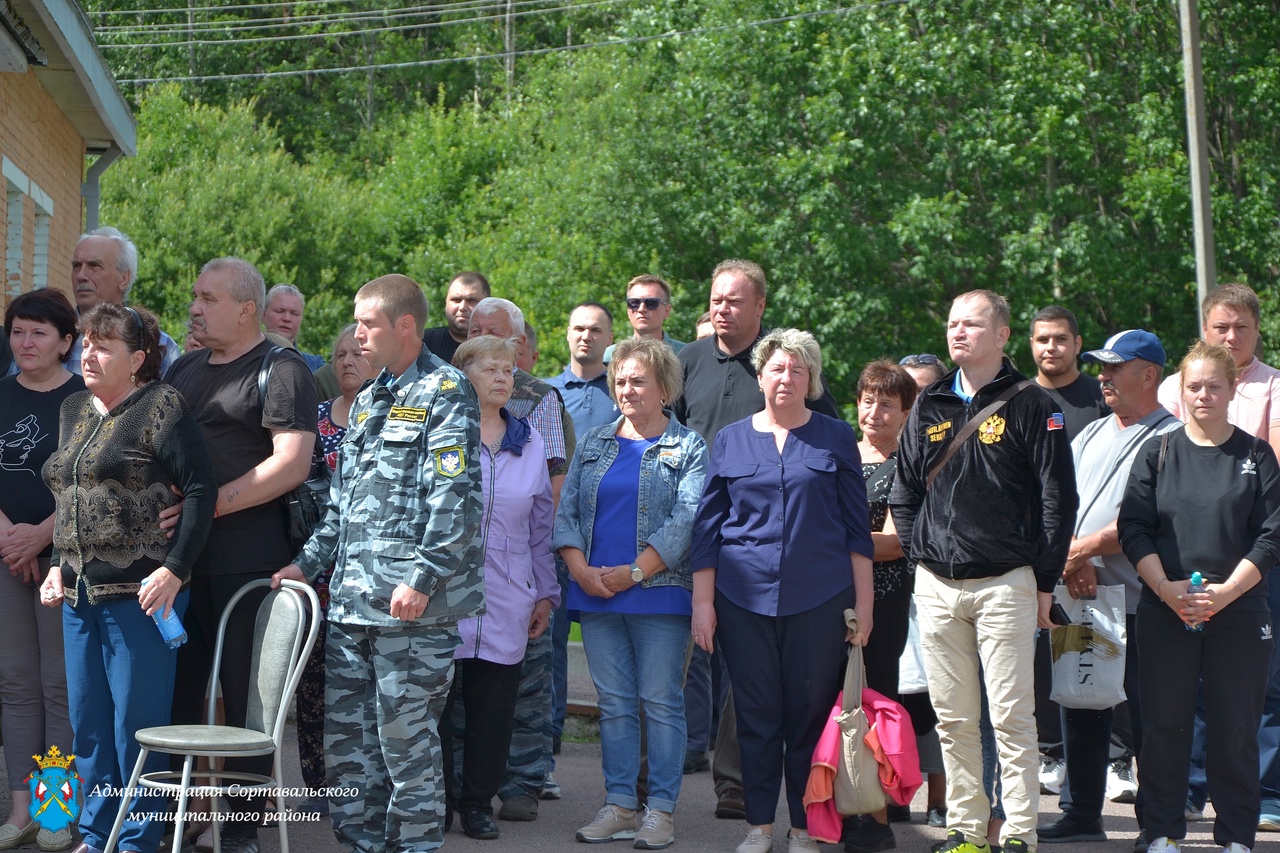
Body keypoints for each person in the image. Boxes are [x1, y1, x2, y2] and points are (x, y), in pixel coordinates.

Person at [274, 274, 484, 853]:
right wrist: (304, 563)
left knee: (405, 746)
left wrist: (423, 577)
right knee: (349, 749)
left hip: (412, 610)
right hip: (351, 605)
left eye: (369, 324)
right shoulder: (367, 400)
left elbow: (455, 498)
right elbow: (342, 505)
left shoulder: (446, 391)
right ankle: (361, 844)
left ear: (406, 326)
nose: (358, 335)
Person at [889, 290, 1078, 853]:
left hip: (1006, 582)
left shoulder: (1033, 403)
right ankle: (967, 830)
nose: (958, 333)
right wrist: (919, 553)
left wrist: (1044, 581)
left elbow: (1057, 500)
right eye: (951, 324)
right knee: (953, 718)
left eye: (971, 324)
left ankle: (1019, 831)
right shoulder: (931, 401)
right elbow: (905, 489)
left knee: (1013, 718)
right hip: (938, 584)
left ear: (1001, 335)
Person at [40, 302, 216, 853]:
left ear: (138, 358)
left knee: (136, 728)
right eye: (86, 343)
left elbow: (201, 491)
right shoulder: (73, 408)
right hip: (76, 594)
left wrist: (175, 570)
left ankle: (139, 840)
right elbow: (68, 495)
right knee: (88, 724)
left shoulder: (162, 405)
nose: (88, 354)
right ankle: (96, 835)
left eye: (104, 346)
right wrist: (54, 566)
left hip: (142, 596)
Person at [692, 328, 874, 853]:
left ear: (811, 379)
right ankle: (759, 827)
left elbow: (856, 529)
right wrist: (703, 604)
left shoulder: (836, 436)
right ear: (761, 376)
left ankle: (801, 828)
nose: (786, 377)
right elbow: (707, 530)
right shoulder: (729, 439)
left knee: (809, 717)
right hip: (741, 599)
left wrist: (863, 605)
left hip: (819, 600)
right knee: (755, 714)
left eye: (798, 369)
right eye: (777, 368)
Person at [674, 260, 840, 821]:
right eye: (716, 299)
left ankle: (738, 781)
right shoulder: (684, 361)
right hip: (687, 536)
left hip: (764, 553)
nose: (722, 308)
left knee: (753, 681)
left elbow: (829, 444)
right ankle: (660, 783)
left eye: (735, 301)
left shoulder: (781, 367)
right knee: (685, 663)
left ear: (760, 306)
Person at [164, 257, 318, 853]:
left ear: (247, 310)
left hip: (249, 564)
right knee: (178, 696)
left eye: (209, 298)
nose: (196, 308)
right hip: (178, 566)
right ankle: (170, 819)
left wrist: (208, 507)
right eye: (195, 296)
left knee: (248, 706)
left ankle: (241, 830)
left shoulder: (283, 370)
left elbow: (291, 464)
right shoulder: (184, 369)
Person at [1119, 340, 1280, 853]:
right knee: (1164, 725)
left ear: (1233, 390)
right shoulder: (1158, 451)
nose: (1204, 394)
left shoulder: (1256, 455)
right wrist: (1165, 589)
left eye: (1215, 385)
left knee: (1235, 729)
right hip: (1167, 607)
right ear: (1179, 391)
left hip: (1239, 606)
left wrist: (1228, 591)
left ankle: (1236, 838)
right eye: (1194, 386)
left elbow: (1272, 535)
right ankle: (1161, 832)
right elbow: (1134, 529)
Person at [555, 337, 708, 850]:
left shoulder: (689, 447)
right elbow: (568, 513)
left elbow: (687, 520)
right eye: (620, 380)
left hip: (660, 594)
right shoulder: (596, 441)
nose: (626, 389)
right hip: (595, 594)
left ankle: (659, 812)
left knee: (661, 703)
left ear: (664, 388)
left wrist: (635, 573)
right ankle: (620, 805)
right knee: (615, 705)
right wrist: (579, 569)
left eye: (638, 380)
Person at [1033, 330, 1179, 850]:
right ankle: (1080, 812)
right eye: (1101, 366)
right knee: (1081, 701)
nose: (1103, 375)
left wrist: (1079, 551)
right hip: (1083, 595)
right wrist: (1073, 559)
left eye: (1116, 367)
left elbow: (1147, 517)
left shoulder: (1173, 438)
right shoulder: (1090, 433)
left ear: (1149, 375)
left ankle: (1157, 823)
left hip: (1143, 602)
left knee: (1149, 717)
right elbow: (1055, 498)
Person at [1155, 284, 1280, 827]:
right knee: (1188, 686)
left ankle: (1268, 796)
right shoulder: (1170, 388)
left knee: (1259, 686)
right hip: (1184, 562)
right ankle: (1190, 788)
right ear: (1204, 329)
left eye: (1242, 328)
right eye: (1220, 327)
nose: (1231, 337)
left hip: (1254, 555)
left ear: (1258, 331)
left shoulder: (1274, 386)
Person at [442, 335, 557, 841]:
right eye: (490, 368)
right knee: (438, 704)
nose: (502, 377)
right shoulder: (443, 433)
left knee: (494, 707)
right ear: (463, 376)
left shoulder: (529, 441)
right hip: (442, 591)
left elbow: (541, 525)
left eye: (508, 369)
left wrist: (545, 593)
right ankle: (439, 799)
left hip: (509, 594)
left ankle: (477, 804)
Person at [465, 297, 575, 821]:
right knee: (451, 699)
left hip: (514, 578)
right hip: (453, 584)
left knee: (514, 692)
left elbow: (545, 505)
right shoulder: (443, 412)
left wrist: (544, 588)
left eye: (499, 336)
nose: (486, 339)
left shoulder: (537, 406)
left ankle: (517, 785)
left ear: (521, 347)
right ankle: (448, 795)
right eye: (476, 333)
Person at [0, 290, 82, 853]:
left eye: (39, 333)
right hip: (5, 556)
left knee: (59, 686)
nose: (26, 343)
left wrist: (39, 536)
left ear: (66, 343)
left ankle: (59, 810)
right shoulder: (0, 394)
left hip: (63, 561)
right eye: (18, 332)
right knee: (15, 686)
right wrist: (10, 537)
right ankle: (20, 807)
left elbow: (88, 483)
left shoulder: (84, 400)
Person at [1028, 305, 1111, 798]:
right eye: (1042, 339)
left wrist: (1082, 557)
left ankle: (1116, 762)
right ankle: (1049, 750)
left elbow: (1099, 484)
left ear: (1078, 344)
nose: (1050, 348)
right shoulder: (1019, 397)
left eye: (1060, 338)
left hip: (1087, 553)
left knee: (1096, 657)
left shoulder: (1097, 398)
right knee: (1038, 658)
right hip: (1033, 552)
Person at [293, 324, 373, 815]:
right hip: (314, 569)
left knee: (361, 682)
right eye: (340, 354)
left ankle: (361, 783)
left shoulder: (392, 421)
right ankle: (319, 785)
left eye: (357, 353)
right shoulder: (315, 420)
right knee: (314, 681)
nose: (347, 360)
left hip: (367, 573)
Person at [842, 360, 921, 853]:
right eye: (868, 401)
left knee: (876, 705)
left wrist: (834, 541)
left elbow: (894, 544)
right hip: (832, 599)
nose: (874, 412)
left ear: (907, 412)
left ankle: (877, 815)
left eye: (887, 404)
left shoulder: (910, 465)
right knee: (834, 704)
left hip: (887, 601)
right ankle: (837, 803)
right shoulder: (840, 456)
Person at [69, 227, 180, 376]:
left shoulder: (158, 346)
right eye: (77, 266)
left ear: (124, 278)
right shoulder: (49, 339)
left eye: (94, 266)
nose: (81, 275)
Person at [603, 275, 686, 361]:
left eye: (651, 303)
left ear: (667, 311)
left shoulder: (686, 354)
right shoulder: (609, 357)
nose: (641, 309)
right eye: (634, 303)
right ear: (628, 311)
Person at [424, 272, 490, 364]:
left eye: (471, 300)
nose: (462, 307)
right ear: (446, 303)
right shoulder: (423, 344)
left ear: (487, 305)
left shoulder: (500, 348)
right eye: (456, 300)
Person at [264, 284, 326, 369]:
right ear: (263, 315)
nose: (287, 318)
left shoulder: (315, 367)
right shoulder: (244, 358)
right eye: (279, 311)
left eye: (294, 313)